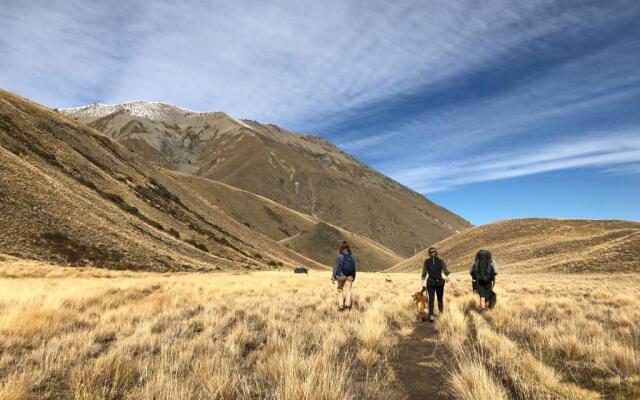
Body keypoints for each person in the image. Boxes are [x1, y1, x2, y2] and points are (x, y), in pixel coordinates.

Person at [421, 247, 454, 322]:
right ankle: (441, 314)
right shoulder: (440, 261)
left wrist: (422, 283)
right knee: (440, 298)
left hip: (430, 282)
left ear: (429, 254)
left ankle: (431, 315)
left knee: (431, 299)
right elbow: (446, 272)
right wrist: (452, 281)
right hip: (440, 282)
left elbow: (424, 273)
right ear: (436, 253)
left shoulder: (426, 261)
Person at [332, 241, 356, 311]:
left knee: (340, 290)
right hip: (350, 277)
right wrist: (353, 277)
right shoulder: (351, 257)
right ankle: (348, 305)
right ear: (348, 249)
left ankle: (341, 306)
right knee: (348, 290)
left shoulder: (339, 257)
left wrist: (333, 276)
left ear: (341, 249)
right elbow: (354, 269)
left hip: (341, 277)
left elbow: (335, 267)